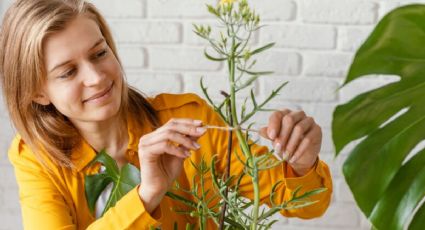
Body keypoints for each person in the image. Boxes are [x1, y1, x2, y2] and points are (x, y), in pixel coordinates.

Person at [0, 0, 332, 229]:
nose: (97, 77)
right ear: (36, 92)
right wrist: (147, 195)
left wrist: (302, 162)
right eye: (68, 72)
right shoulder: (37, 159)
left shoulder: (188, 120)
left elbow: (305, 205)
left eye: (99, 53)